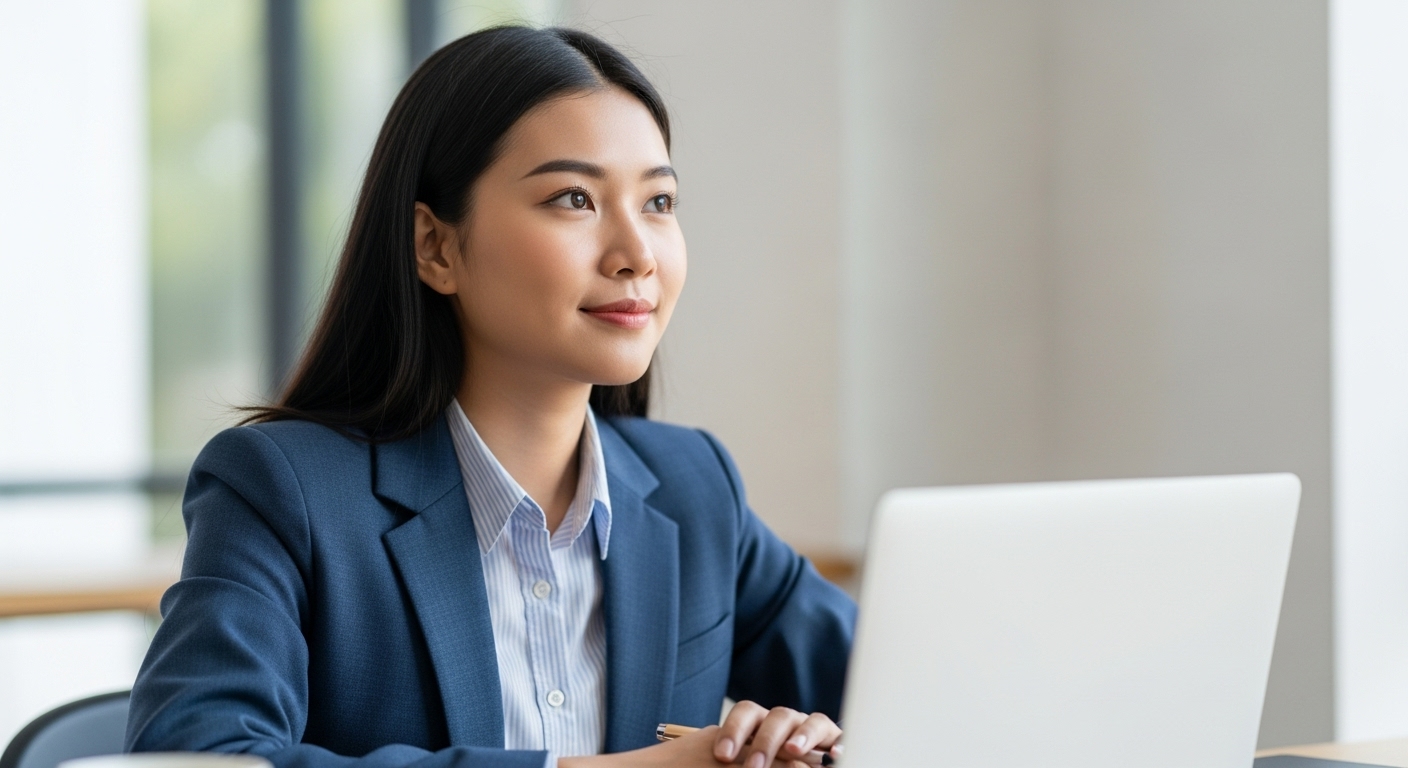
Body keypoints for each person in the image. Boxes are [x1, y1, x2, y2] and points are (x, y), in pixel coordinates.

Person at [124, 25, 855, 768]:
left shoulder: (695, 490)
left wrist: (800, 744)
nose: (637, 255)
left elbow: (907, 688)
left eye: (659, 202)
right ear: (436, 247)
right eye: (574, 198)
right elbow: (196, 757)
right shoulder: (284, 492)